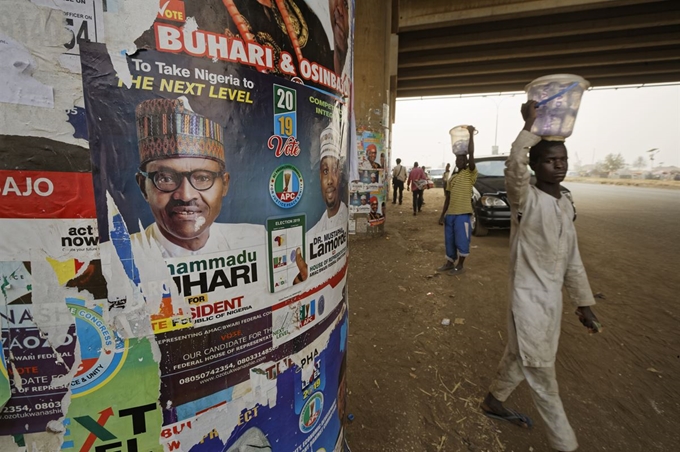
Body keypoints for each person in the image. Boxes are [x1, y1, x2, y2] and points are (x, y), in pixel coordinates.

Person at [480, 101, 602, 452]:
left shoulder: (564, 202)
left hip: (551, 302)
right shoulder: (525, 200)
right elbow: (514, 166)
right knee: (542, 374)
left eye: (563, 160)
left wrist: (583, 304)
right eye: (550, 160)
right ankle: (566, 444)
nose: (559, 165)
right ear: (535, 165)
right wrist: (529, 126)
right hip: (528, 301)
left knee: (521, 356)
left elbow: (572, 259)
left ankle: (493, 401)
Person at [133, 98, 263, 258]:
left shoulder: (258, 241)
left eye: (202, 178)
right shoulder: (111, 261)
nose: (186, 195)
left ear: (224, 184)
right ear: (143, 187)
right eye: (166, 179)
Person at [438, 127, 477, 275]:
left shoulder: (470, 173)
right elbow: (448, 198)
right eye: (457, 159)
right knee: (449, 240)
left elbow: (471, 154)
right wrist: (442, 215)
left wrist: (471, 135)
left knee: (462, 240)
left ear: (466, 161)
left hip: (463, 214)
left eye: (462, 159)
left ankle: (460, 265)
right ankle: (449, 262)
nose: (459, 161)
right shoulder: (452, 178)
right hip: (451, 215)